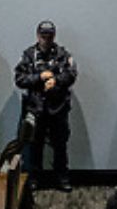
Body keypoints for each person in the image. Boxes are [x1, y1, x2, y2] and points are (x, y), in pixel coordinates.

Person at [13, 20, 77, 191]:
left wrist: (55, 81)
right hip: (35, 108)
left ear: (54, 36)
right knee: (34, 145)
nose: (46, 39)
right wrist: (39, 77)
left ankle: (62, 177)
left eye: (49, 36)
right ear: (37, 35)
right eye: (43, 36)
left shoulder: (63, 54)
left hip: (58, 108)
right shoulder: (28, 55)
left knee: (60, 145)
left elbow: (71, 75)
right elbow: (19, 79)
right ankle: (34, 178)